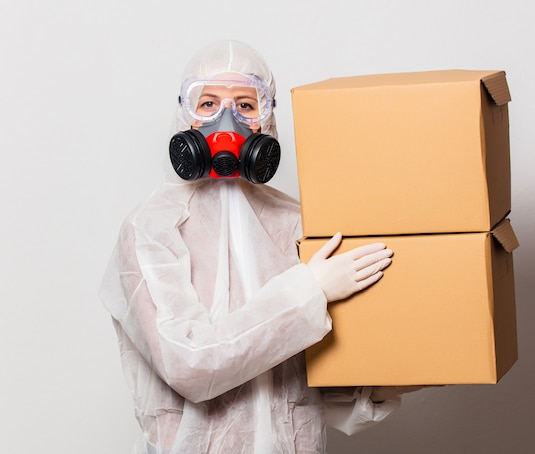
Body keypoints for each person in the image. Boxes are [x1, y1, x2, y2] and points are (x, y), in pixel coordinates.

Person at [99, 39, 418, 454]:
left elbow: (322, 390)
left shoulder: (297, 223)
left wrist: (411, 358)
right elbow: (190, 364)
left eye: (246, 105)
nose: (226, 119)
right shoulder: (152, 228)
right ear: (186, 116)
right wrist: (311, 290)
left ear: (266, 121)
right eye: (208, 103)